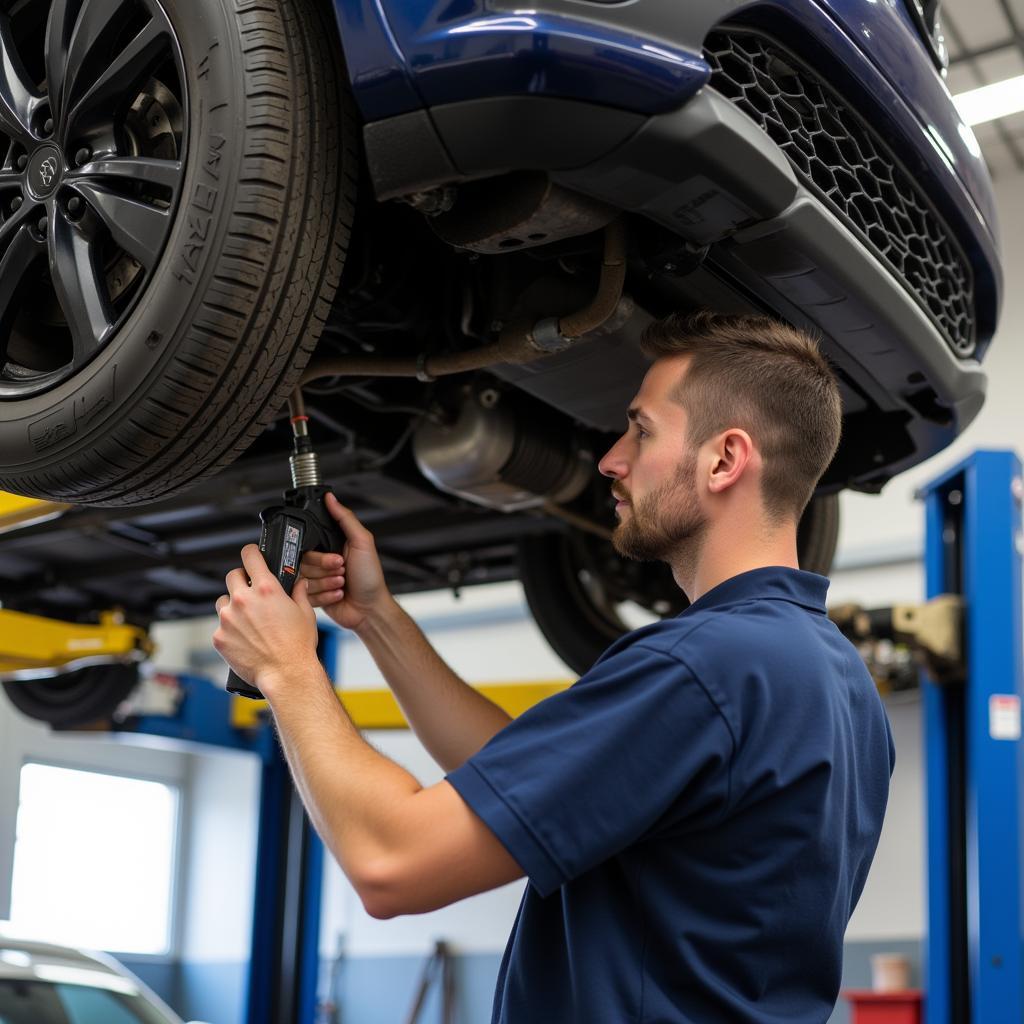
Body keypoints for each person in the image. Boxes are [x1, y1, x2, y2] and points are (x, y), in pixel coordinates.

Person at [214, 310, 894, 1023]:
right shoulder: (838, 682)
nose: (610, 459)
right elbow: (522, 777)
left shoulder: (705, 666)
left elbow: (391, 863)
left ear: (724, 460)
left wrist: (288, 669)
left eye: (642, 430)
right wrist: (379, 619)